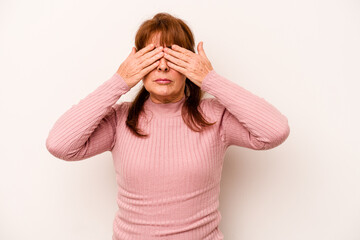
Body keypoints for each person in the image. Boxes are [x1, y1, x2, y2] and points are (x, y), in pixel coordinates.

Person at [46, 12, 290, 240]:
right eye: (153, 57)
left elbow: (274, 131)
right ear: (137, 63)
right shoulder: (120, 119)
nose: (163, 67)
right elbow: (59, 145)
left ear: (189, 64)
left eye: (173, 57)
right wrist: (119, 82)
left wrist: (209, 79)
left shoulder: (215, 116)